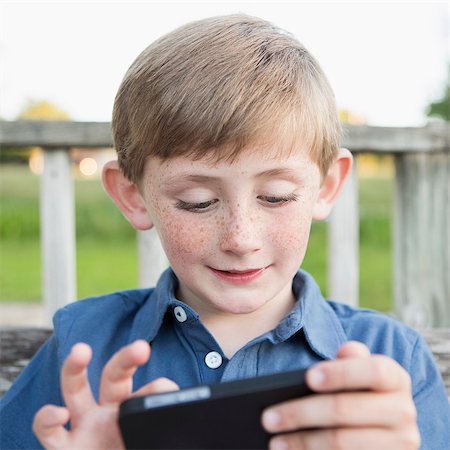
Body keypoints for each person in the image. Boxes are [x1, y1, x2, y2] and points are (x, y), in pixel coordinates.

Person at [1, 14, 449, 450]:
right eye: (197, 202)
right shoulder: (84, 346)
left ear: (327, 186)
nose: (241, 237)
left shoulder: (391, 357)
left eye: (275, 196)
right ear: (133, 196)